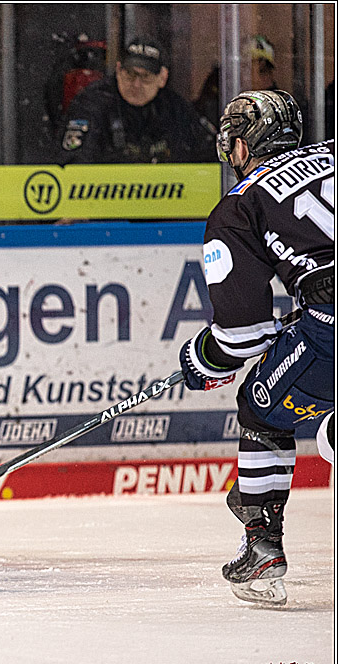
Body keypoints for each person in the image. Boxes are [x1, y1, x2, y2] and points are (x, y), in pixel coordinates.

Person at [177, 90, 334, 606]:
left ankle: (262, 547)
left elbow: (241, 334)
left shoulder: (240, 205)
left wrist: (204, 358)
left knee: (262, 410)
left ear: (242, 146)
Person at [58, 37, 216, 164]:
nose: (136, 84)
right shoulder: (92, 103)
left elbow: (207, 155)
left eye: (146, 77)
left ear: (162, 78)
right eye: (130, 74)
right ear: (118, 70)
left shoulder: (175, 108)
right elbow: (73, 162)